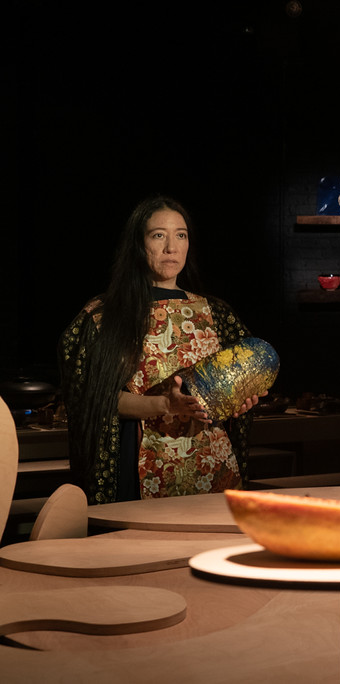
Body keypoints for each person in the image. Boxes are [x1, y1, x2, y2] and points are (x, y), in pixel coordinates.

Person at [59, 196, 264, 504]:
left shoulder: (217, 313)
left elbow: (239, 383)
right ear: (138, 245)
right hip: (138, 464)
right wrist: (166, 404)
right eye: (159, 235)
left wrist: (241, 399)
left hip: (209, 464)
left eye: (181, 235)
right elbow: (93, 400)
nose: (172, 247)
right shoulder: (104, 315)